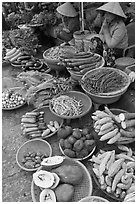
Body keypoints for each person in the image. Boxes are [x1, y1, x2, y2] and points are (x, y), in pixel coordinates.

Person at [96, 2, 128, 66]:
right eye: (105, 13)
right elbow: (100, 35)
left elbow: (111, 45)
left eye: (108, 14)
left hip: (118, 50)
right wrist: (105, 42)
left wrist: (105, 30)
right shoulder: (107, 21)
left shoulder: (120, 26)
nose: (105, 16)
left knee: (108, 57)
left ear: (115, 15)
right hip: (106, 45)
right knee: (95, 40)